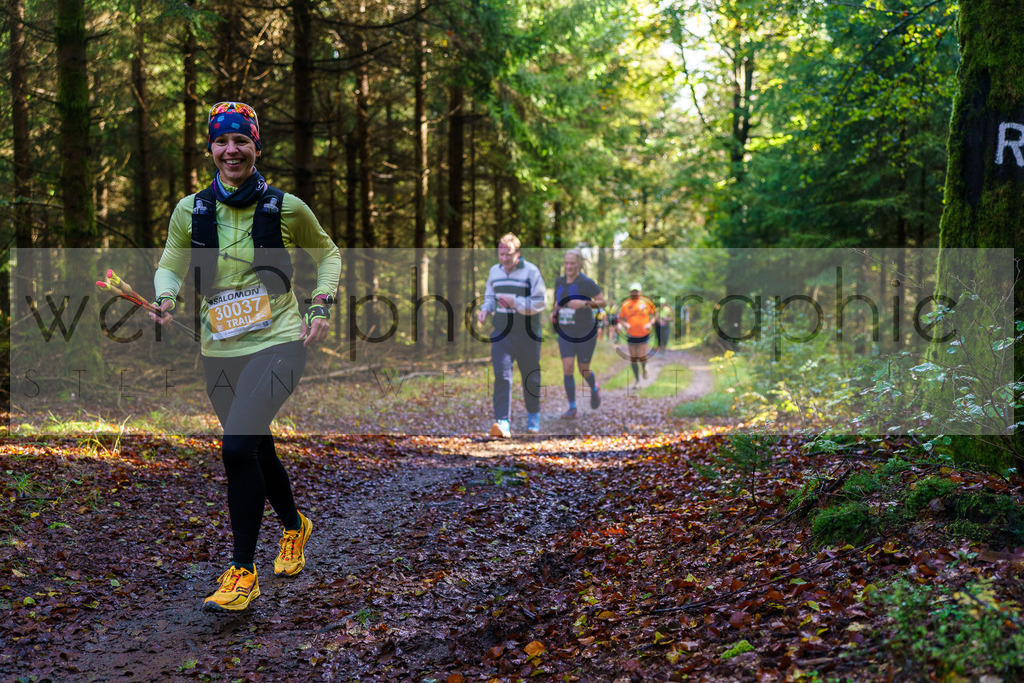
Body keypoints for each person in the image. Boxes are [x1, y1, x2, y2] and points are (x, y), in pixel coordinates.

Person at [149, 101, 340, 612]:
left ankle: (242, 573)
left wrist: (321, 303)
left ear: (256, 146)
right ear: (211, 149)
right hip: (218, 350)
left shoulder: (285, 207)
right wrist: (165, 296)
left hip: (280, 342)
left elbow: (328, 254)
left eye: (241, 141)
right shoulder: (191, 210)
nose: (231, 150)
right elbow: (169, 263)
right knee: (255, 448)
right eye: (221, 141)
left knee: (236, 449)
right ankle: (296, 527)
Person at [477, 233, 546, 437]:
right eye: (501, 255)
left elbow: (540, 302)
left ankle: (533, 414)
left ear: (518, 253)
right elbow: (490, 295)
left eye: (508, 255)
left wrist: (515, 302)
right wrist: (485, 309)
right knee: (502, 375)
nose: (504, 259)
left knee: (530, 377)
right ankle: (502, 422)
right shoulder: (494, 272)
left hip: (527, 332)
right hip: (502, 331)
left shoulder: (531, 272)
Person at [550, 249, 605, 419]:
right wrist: (554, 312)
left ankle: (594, 387)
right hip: (565, 329)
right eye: (566, 263)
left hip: (585, 330)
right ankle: (572, 408)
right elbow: (558, 301)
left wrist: (584, 304)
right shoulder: (559, 281)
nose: (569, 266)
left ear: (579, 264)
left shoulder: (586, 282)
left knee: (583, 369)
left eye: (572, 263)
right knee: (567, 367)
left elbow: (602, 302)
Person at [617, 282, 656, 385]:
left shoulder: (647, 302)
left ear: (640, 292)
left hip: (644, 333)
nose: (635, 293)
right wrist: (625, 324)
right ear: (630, 292)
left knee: (642, 356)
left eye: (636, 291)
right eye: (633, 291)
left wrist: (650, 323)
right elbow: (620, 318)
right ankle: (637, 380)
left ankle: (645, 367)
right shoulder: (626, 304)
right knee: (634, 358)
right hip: (631, 334)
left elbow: (655, 316)